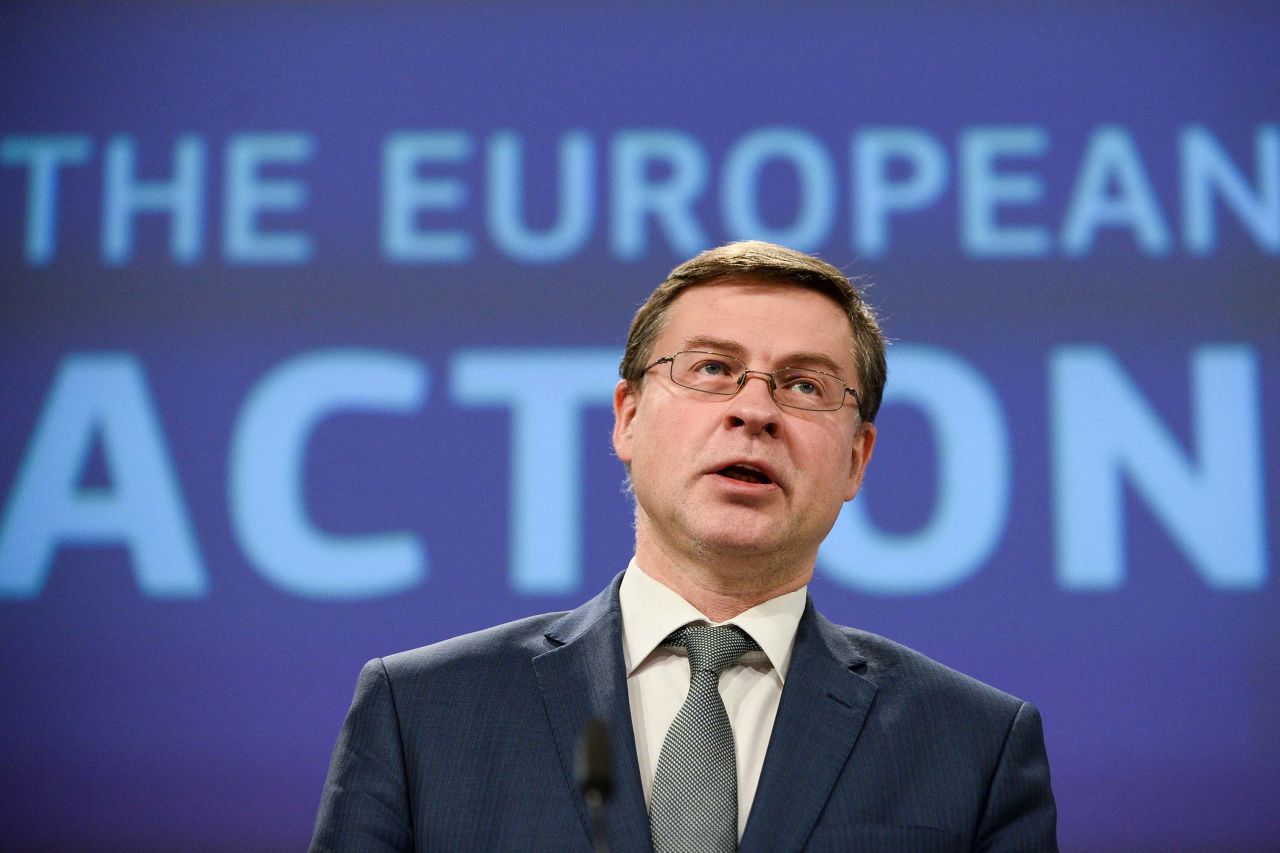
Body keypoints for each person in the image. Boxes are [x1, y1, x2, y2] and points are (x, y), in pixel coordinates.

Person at [310, 241, 1058, 852]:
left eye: (804, 386)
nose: (755, 410)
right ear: (628, 417)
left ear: (857, 459)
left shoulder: (974, 746)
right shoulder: (423, 714)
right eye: (712, 369)